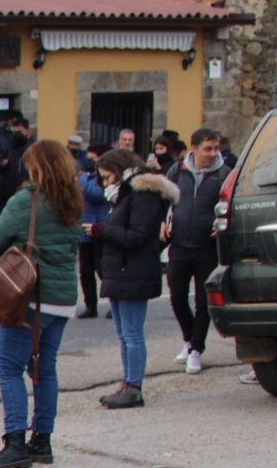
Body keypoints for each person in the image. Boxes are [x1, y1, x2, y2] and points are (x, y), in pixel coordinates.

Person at [0, 139, 81, 468]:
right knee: (44, 367)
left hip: (33, 296)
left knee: (8, 368)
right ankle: (43, 440)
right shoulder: (72, 199)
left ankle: (15, 443)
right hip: (64, 298)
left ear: (37, 167)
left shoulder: (28, 200)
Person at [93, 148, 177, 410]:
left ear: (120, 171)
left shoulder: (142, 194)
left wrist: (103, 231)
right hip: (121, 271)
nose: (106, 183)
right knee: (123, 333)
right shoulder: (125, 194)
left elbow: (139, 235)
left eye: (108, 177)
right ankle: (127, 383)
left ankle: (134, 387)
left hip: (134, 271)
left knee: (132, 334)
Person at [166, 128, 229, 374]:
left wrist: (223, 224)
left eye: (216, 148)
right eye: (208, 148)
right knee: (177, 296)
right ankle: (189, 338)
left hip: (207, 247)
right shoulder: (176, 171)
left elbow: (230, 202)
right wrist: (163, 220)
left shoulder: (224, 174)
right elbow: (164, 198)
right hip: (180, 244)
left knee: (204, 301)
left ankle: (196, 349)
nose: (213, 153)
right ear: (194, 148)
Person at [76, 148, 109, 319]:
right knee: (85, 271)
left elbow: (96, 194)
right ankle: (90, 306)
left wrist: (80, 179)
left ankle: (114, 302)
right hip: (84, 231)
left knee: (102, 270)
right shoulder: (86, 180)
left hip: (100, 228)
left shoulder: (102, 181)